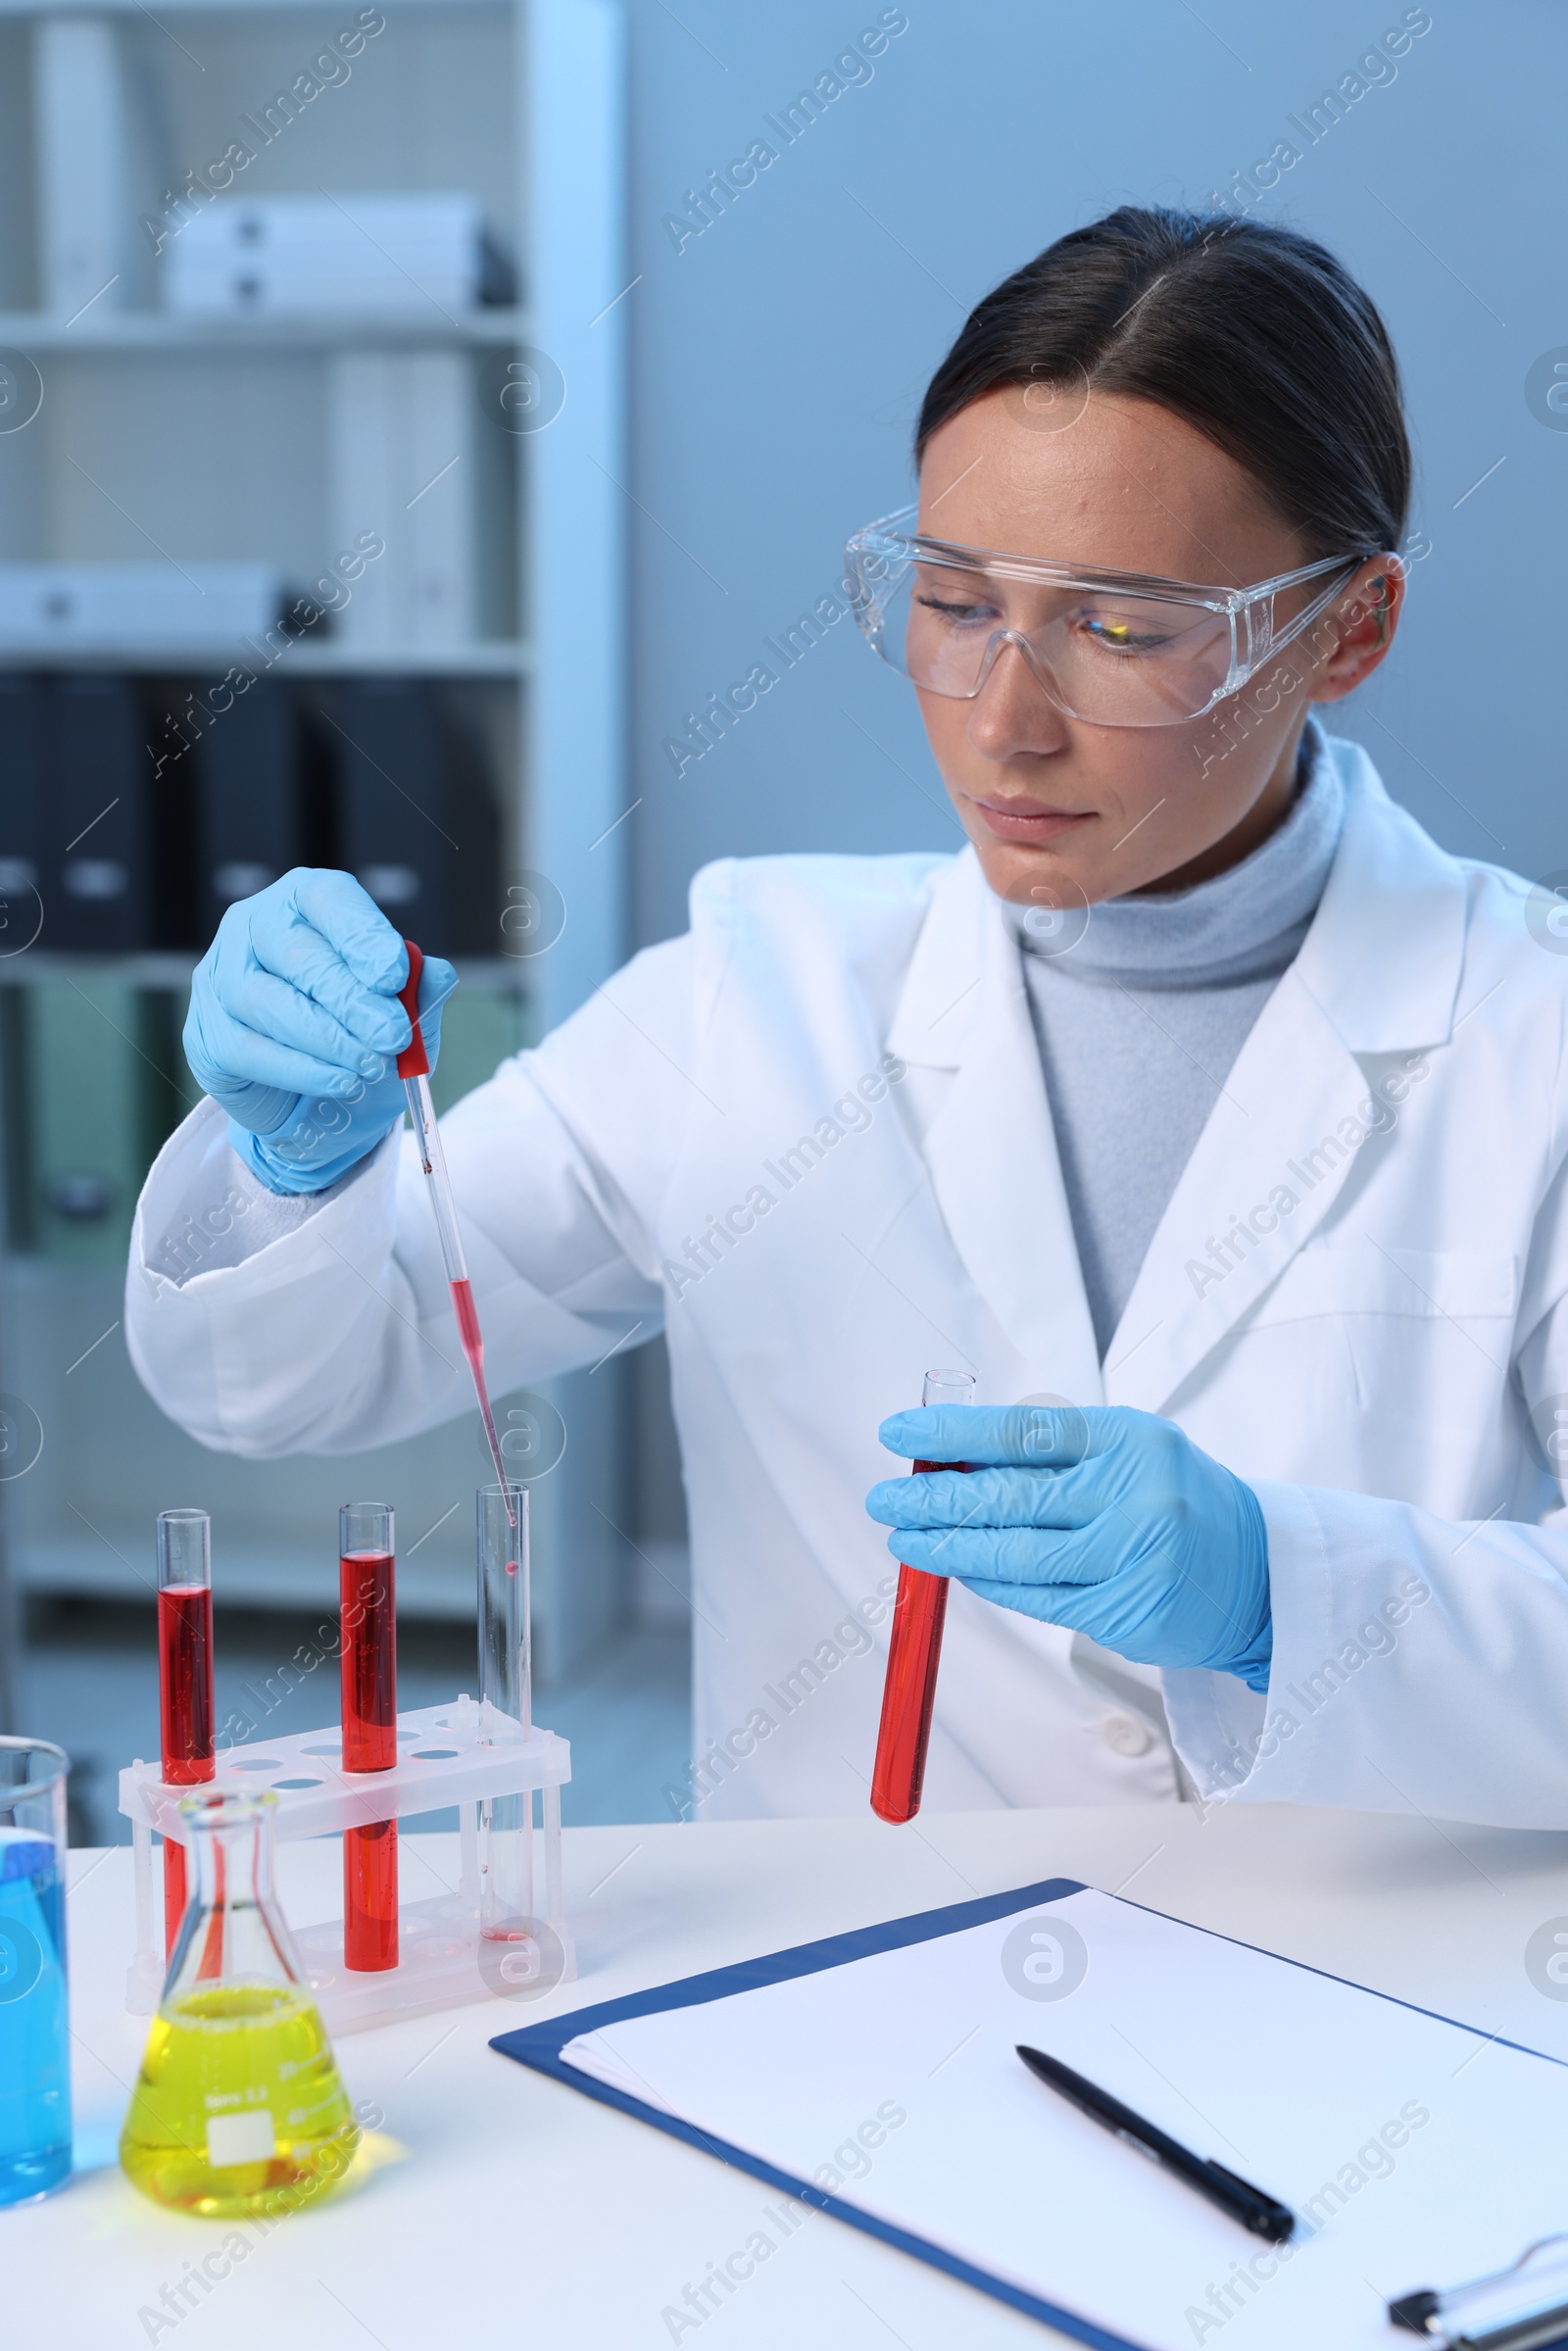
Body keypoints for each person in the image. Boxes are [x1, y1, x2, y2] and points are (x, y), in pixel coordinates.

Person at [127, 206, 1568, 1830]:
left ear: (1348, 627)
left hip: (1363, 2026)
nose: (1005, 725)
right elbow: (300, 1380)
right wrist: (291, 1173)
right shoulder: (759, 992)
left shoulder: (1530, 1031)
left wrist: (1280, 1594)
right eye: (955, 603)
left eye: (1120, 628)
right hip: (833, 2010)